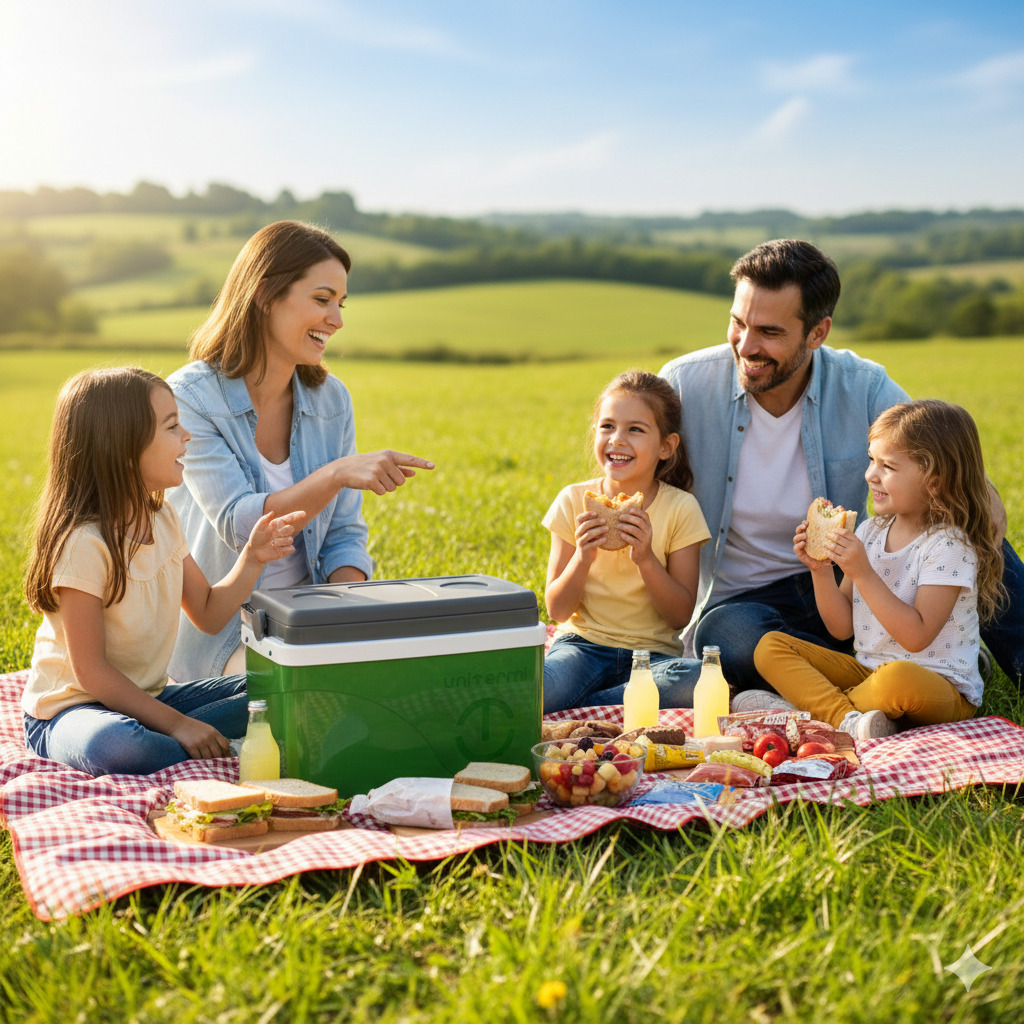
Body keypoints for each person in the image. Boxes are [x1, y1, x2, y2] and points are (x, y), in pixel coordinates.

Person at [659, 238, 1024, 697]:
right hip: (745, 603)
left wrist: (982, 507)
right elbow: (630, 471)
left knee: (975, 528)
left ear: (818, 333)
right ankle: (881, 669)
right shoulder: (683, 384)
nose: (745, 346)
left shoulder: (864, 385)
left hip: (850, 576)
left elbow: (945, 462)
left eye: (769, 332)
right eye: (738, 323)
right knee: (724, 635)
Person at [167, 221, 434, 682]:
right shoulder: (191, 397)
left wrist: (343, 616)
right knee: (304, 698)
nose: (337, 319)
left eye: (340, 303)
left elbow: (344, 534)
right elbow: (238, 524)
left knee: (421, 675)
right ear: (267, 294)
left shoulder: (332, 400)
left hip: (309, 620)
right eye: (322, 299)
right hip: (225, 634)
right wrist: (334, 475)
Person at [22, 367, 302, 776]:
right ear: (122, 446)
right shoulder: (84, 543)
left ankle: (182, 744)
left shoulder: (163, 518)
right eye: (172, 426)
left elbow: (207, 613)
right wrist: (179, 725)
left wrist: (253, 558)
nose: (186, 436)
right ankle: (198, 745)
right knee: (116, 745)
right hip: (72, 711)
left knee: (278, 692)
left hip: (149, 699)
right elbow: (92, 673)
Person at [753, 400, 1005, 739]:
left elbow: (916, 637)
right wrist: (820, 570)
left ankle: (803, 713)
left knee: (897, 679)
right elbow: (841, 628)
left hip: (937, 686)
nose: (871, 474)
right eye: (872, 460)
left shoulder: (949, 545)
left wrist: (863, 573)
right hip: (868, 673)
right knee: (770, 646)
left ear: (933, 482)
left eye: (887, 466)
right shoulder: (871, 531)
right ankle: (848, 719)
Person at [542, 370, 711, 712]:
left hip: (651, 658)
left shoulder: (680, 508)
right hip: (582, 646)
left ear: (666, 446)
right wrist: (583, 558)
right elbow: (557, 609)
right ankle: (615, 705)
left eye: (635, 429)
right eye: (607, 426)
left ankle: (586, 706)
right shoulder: (573, 500)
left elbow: (679, 615)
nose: (617, 439)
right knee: (542, 685)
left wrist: (646, 558)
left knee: (697, 679)